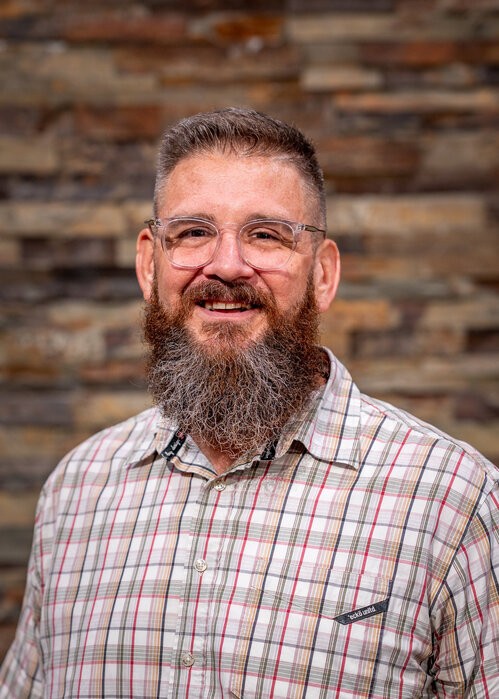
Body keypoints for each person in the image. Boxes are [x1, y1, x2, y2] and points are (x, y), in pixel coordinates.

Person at [0, 107, 497, 698]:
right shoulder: (75, 492)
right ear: (149, 265)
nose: (227, 266)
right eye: (193, 232)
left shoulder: (453, 504)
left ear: (323, 275)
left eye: (266, 235)